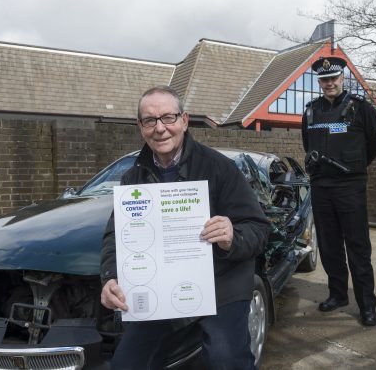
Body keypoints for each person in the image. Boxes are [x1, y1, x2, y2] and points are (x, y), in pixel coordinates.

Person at [100, 85, 271, 369]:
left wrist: (232, 236)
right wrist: (109, 277)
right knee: (127, 362)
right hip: (160, 288)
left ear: (184, 120)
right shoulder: (133, 178)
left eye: (168, 117)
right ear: (140, 126)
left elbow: (258, 229)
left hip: (220, 285)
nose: (160, 128)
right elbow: (114, 237)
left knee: (225, 358)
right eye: (150, 120)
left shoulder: (220, 168)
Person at [301, 56, 376, 326]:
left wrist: (354, 168)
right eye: (324, 80)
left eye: (333, 78)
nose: (329, 83)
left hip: (350, 187)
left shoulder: (361, 109)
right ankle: (338, 294)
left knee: (358, 247)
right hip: (321, 187)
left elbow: (374, 144)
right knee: (329, 246)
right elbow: (306, 143)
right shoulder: (311, 110)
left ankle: (366, 305)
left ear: (343, 78)